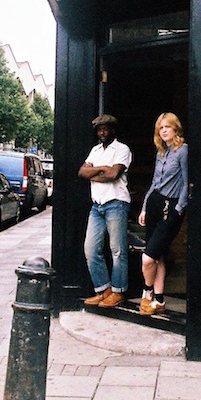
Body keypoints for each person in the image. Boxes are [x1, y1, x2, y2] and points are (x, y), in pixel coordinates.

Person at [78, 114, 133, 308]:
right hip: (97, 205)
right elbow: (82, 172)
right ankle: (103, 290)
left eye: (105, 129)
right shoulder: (95, 150)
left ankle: (118, 292)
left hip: (116, 203)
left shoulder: (122, 149)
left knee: (117, 250)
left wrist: (96, 173)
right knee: (91, 249)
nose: (102, 132)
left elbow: (113, 174)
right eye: (99, 129)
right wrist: (101, 169)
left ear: (113, 130)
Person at [138, 112, 189, 315]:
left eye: (168, 126)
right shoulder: (161, 152)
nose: (164, 130)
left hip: (171, 206)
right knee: (157, 256)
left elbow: (187, 182)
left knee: (147, 258)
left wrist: (179, 208)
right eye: (161, 128)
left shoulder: (183, 151)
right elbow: (154, 183)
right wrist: (144, 207)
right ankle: (159, 301)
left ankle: (147, 291)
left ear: (176, 128)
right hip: (154, 204)